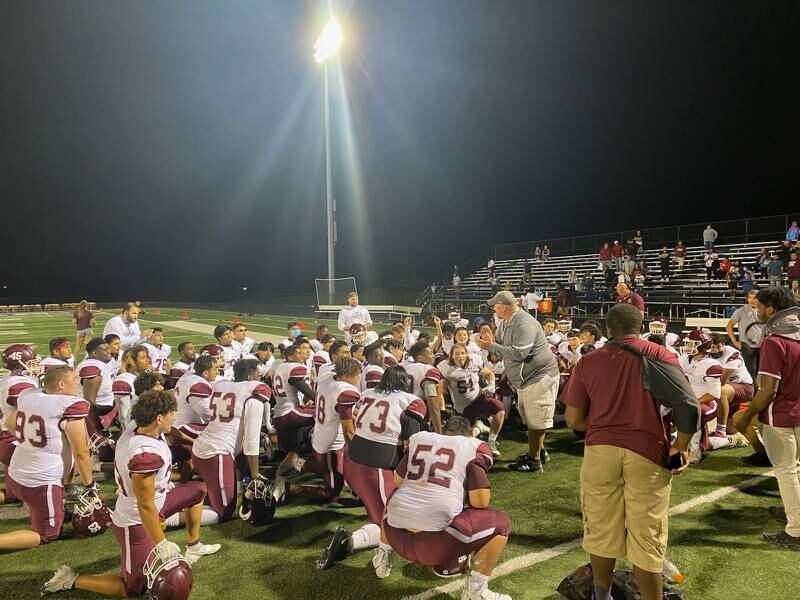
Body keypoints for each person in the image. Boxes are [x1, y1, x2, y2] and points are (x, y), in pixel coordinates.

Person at [562, 304, 699, 600]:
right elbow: (689, 405)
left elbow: (573, 420)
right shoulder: (660, 354)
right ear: (640, 327)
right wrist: (681, 446)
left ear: (608, 329)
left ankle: (602, 596)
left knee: (600, 530)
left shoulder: (588, 361)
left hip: (600, 450)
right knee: (646, 535)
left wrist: (603, 425)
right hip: (647, 452)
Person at [41, 389, 221, 597]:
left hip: (157, 502)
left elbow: (149, 409)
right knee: (133, 588)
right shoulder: (145, 453)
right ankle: (71, 580)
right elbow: (145, 505)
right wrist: (161, 542)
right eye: (172, 413)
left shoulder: (140, 427)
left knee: (197, 490)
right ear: (158, 418)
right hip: (136, 520)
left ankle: (194, 546)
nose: (175, 417)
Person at [379, 416, 512, 600]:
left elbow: (397, 481)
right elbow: (480, 501)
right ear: (468, 435)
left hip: (395, 537)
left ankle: (382, 556)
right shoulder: (472, 446)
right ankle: (476, 592)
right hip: (434, 547)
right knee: (501, 524)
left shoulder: (421, 438)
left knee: (394, 497)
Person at [317, 366, 426, 571]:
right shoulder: (409, 401)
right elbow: (409, 446)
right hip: (374, 468)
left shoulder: (367, 393)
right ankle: (348, 542)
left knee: (383, 508)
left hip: (352, 461)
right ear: (405, 382)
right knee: (390, 524)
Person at [0, 366, 96, 551]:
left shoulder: (29, 396)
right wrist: (90, 485)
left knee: (45, 506)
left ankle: (47, 509)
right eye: (75, 378)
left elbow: (11, 423)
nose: (79, 381)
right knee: (47, 534)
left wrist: (32, 443)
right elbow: (81, 453)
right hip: (41, 483)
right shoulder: (69, 405)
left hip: (16, 472)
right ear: (61, 384)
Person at [733, 287, 800, 550]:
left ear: (771, 308)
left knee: (786, 472)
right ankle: (794, 513)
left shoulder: (774, 341)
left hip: (780, 415)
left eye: (760, 306)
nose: (757, 311)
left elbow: (768, 388)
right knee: (795, 470)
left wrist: (747, 415)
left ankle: (795, 531)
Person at [476, 291, 559, 473]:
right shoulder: (508, 321)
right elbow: (505, 348)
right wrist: (492, 341)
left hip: (538, 377)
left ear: (504, 307)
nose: (493, 308)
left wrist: (491, 346)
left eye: (495, 305)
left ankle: (534, 460)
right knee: (529, 417)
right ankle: (539, 451)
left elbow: (519, 353)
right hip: (527, 380)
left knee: (536, 419)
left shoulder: (524, 323)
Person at [191, 359, 272, 522]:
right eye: (257, 372)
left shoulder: (221, 385)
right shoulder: (253, 397)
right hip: (216, 454)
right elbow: (251, 441)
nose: (260, 376)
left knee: (239, 454)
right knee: (224, 511)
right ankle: (165, 517)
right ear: (250, 376)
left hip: (203, 448)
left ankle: (229, 489)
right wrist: (256, 474)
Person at [438, 344, 505, 456]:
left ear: (467, 354)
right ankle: (479, 428)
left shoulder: (474, 362)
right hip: (463, 408)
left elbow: (489, 373)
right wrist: (442, 408)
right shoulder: (445, 368)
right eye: (457, 354)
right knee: (463, 442)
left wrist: (491, 384)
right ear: (452, 356)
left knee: (499, 408)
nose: (460, 356)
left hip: (479, 398)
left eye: (463, 353)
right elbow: (441, 390)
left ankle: (491, 441)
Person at [678, 331, 727, 462]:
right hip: (687, 400)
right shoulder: (683, 359)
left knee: (693, 413)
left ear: (701, 346)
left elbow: (714, 394)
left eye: (691, 344)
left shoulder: (711, 365)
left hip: (706, 403)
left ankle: (695, 451)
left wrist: (693, 401)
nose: (687, 346)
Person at [0, 345, 40, 505]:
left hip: (5, 436)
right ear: (18, 364)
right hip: (15, 439)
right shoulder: (20, 383)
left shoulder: (6, 380)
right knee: (39, 484)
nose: (36, 366)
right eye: (31, 363)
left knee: (14, 493)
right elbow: (27, 408)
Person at [402, 341, 444, 433]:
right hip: (415, 416)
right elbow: (432, 404)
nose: (433, 356)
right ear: (420, 358)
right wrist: (439, 432)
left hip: (398, 413)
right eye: (430, 353)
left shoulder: (402, 366)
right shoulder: (427, 370)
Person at [726, 290, 765, 380]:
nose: (752, 300)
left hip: (762, 345)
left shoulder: (763, 310)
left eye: (755, 298)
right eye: (750, 298)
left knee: (761, 371)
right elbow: (729, 326)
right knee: (750, 371)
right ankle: (751, 391)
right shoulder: (741, 311)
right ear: (747, 298)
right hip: (747, 345)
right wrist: (735, 341)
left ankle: (759, 390)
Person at [112, 345, 152, 432]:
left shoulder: (147, 377)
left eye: (147, 357)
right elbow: (124, 416)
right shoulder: (124, 381)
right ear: (132, 362)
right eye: (143, 358)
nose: (147, 360)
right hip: (134, 432)